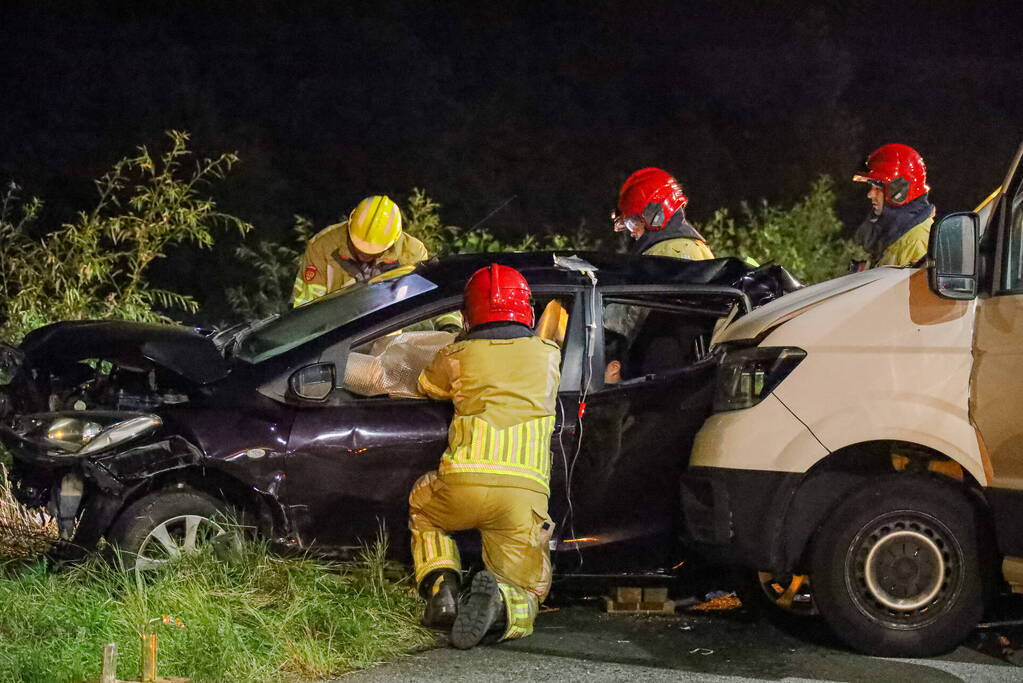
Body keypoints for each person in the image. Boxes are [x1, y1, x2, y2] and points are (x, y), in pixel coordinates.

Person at [409, 263, 560, 649]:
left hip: (463, 482)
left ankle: (441, 584)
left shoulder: (458, 353)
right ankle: (502, 607)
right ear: (526, 309)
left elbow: (428, 385)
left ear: (467, 314)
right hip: (522, 497)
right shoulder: (547, 355)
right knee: (528, 589)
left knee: (424, 511)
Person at [291, 195, 428, 306]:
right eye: (357, 246)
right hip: (335, 332)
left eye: (373, 251)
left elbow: (434, 296)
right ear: (350, 227)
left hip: (390, 334)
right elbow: (304, 305)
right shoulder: (322, 246)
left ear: (394, 240)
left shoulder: (412, 253)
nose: (364, 255)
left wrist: (449, 325)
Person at [852, 143, 935, 267]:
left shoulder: (918, 242)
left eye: (878, 188)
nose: (870, 195)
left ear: (899, 191)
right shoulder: (895, 236)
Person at [612, 168, 715, 260]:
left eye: (633, 223)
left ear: (653, 214)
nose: (632, 232)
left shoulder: (659, 255)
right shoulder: (700, 247)